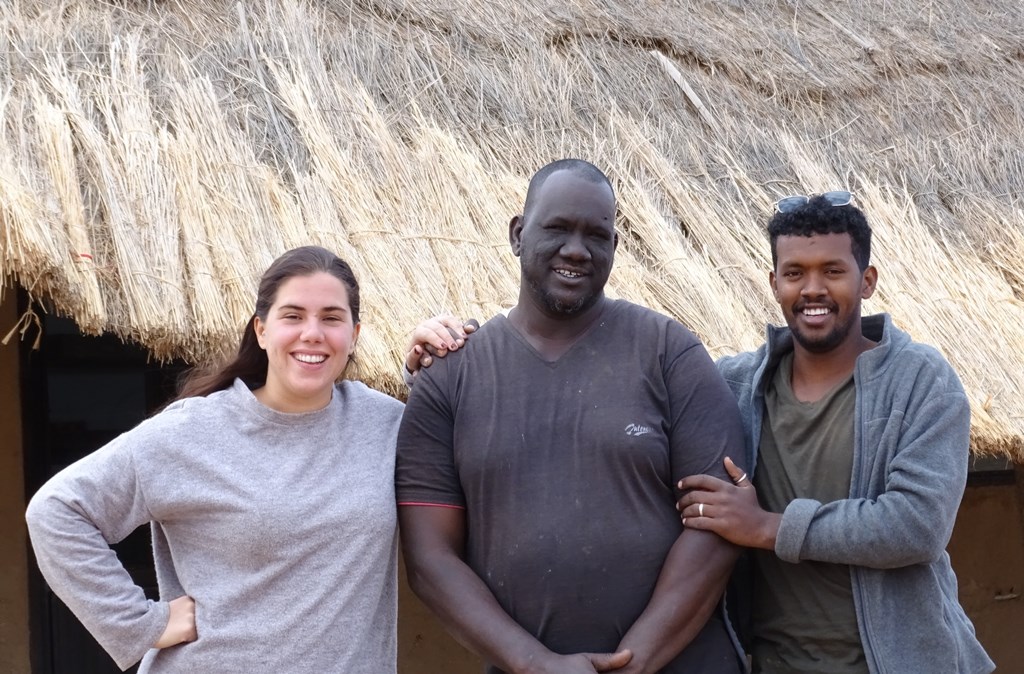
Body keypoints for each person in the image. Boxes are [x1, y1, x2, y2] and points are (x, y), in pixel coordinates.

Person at [395, 159, 749, 674]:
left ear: (614, 247)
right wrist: (533, 664)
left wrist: (636, 660)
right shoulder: (451, 374)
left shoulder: (669, 353)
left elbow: (718, 527)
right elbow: (430, 560)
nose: (577, 250)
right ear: (518, 234)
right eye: (557, 228)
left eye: (596, 235)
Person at [26, 246, 407, 672]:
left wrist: (432, 367)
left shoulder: (385, 423)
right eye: (293, 316)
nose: (312, 333)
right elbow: (56, 511)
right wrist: (139, 624)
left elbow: (468, 437)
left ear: (355, 334)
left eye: (332, 318)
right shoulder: (192, 432)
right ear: (261, 331)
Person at [675, 192, 995, 673]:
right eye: (795, 273)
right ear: (774, 283)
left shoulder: (920, 380)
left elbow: (916, 526)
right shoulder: (734, 386)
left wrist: (767, 527)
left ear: (866, 282)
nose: (812, 289)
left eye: (832, 271)